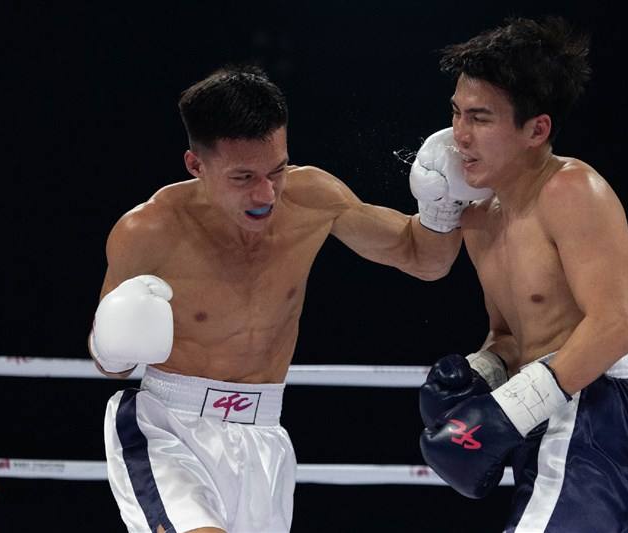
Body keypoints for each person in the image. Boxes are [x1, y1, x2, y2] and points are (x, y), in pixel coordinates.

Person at [88, 65, 490, 533]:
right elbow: (108, 364)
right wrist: (115, 340)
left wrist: (443, 209)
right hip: (168, 429)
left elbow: (425, 260)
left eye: (276, 170)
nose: (266, 193)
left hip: (265, 436)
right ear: (196, 165)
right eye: (243, 177)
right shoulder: (147, 231)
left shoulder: (313, 198)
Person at [418, 17, 628, 532]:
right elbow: (513, 334)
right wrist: (482, 371)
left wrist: (505, 410)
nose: (459, 136)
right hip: (548, 424)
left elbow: (613, 328)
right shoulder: (479, 220)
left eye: (481, 119)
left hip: (596, 417)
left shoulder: (572, 190)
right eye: (456, 113)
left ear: (536, 129)